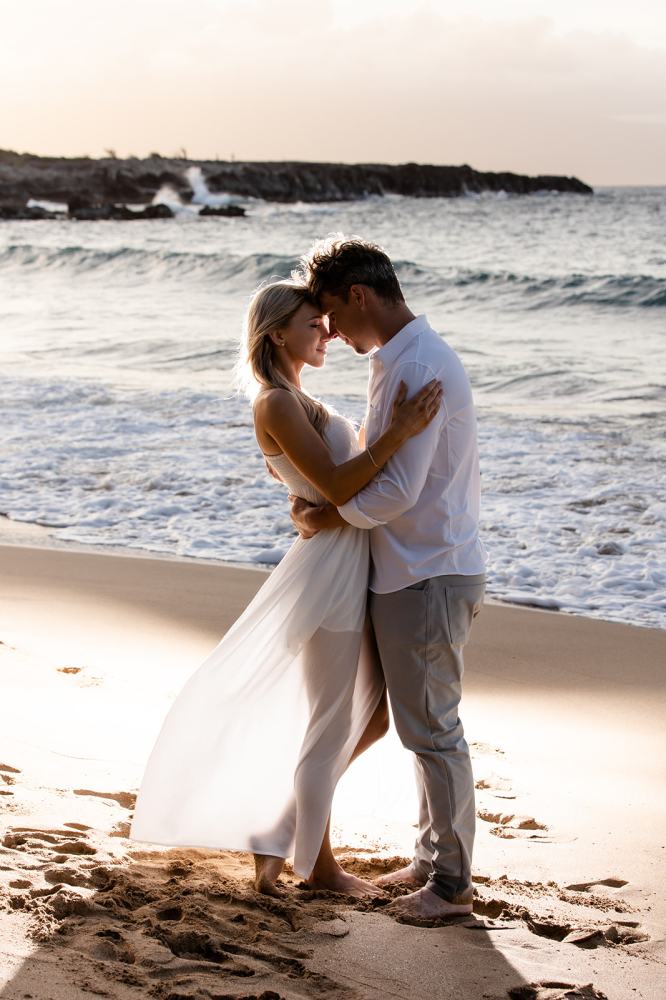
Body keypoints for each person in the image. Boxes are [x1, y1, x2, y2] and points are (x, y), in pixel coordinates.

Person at [130, 279, 442, 898]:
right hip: (329, 572)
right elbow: (335, 485)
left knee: (372, 717)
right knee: (333, 723)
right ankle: (319, 867)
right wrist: (399, 431)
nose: (327, 332)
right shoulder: (274, 401)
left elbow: (327, 493)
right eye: (312, 324)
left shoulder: (298, 396)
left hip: (348, 559)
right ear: (277, 332)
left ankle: (280, 825)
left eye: (326, 323)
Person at [291, 236, 487, 920]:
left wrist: (328, 514)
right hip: (417, 568)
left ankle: (452, 886)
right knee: (419, 727)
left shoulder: (419, 364)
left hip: (428, 571)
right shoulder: (398, 359)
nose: (332, 332)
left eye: (333, 316)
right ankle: (432, 859)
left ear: (358, 295)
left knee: (434, 732)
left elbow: (399, 490)